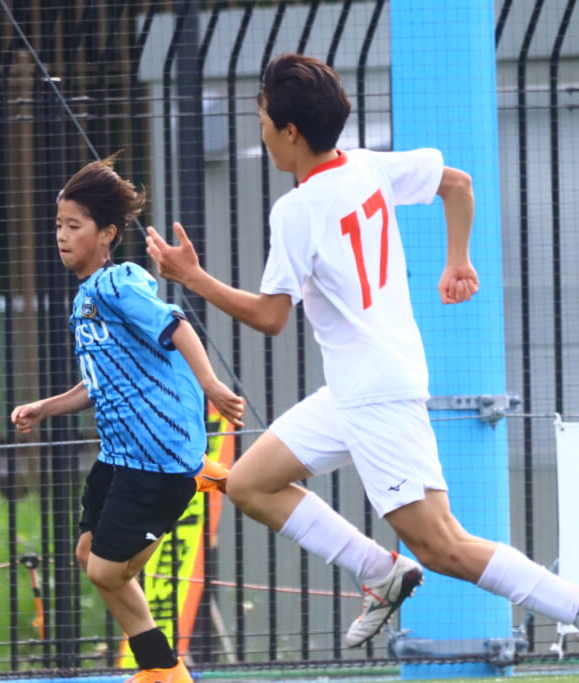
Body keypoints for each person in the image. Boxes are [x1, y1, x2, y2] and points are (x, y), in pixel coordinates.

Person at [145, 53, 579, 648]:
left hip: (375, 393)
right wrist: (458, 259)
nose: (261, 133)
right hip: (354, 389)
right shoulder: (368, 166)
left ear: (290, 132)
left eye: (263, 122)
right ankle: (381, 570)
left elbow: (271, 317)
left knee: (443, 545)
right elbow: (457, 184)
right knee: (249, 483)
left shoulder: (296, 210)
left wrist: (193, 278)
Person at [11, 152, 245, 683]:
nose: (62, 236)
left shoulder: (117, 284)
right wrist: (45, 408)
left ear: (107, 234)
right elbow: (97, 383)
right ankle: (161, 670)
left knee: (106, 570)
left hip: (156, 457)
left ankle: (164, 669)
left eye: (74, 225)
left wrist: (211, 384)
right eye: (58, 224)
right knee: (87, 554)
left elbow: (176, 325)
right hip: (120, 455)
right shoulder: (84, 300)